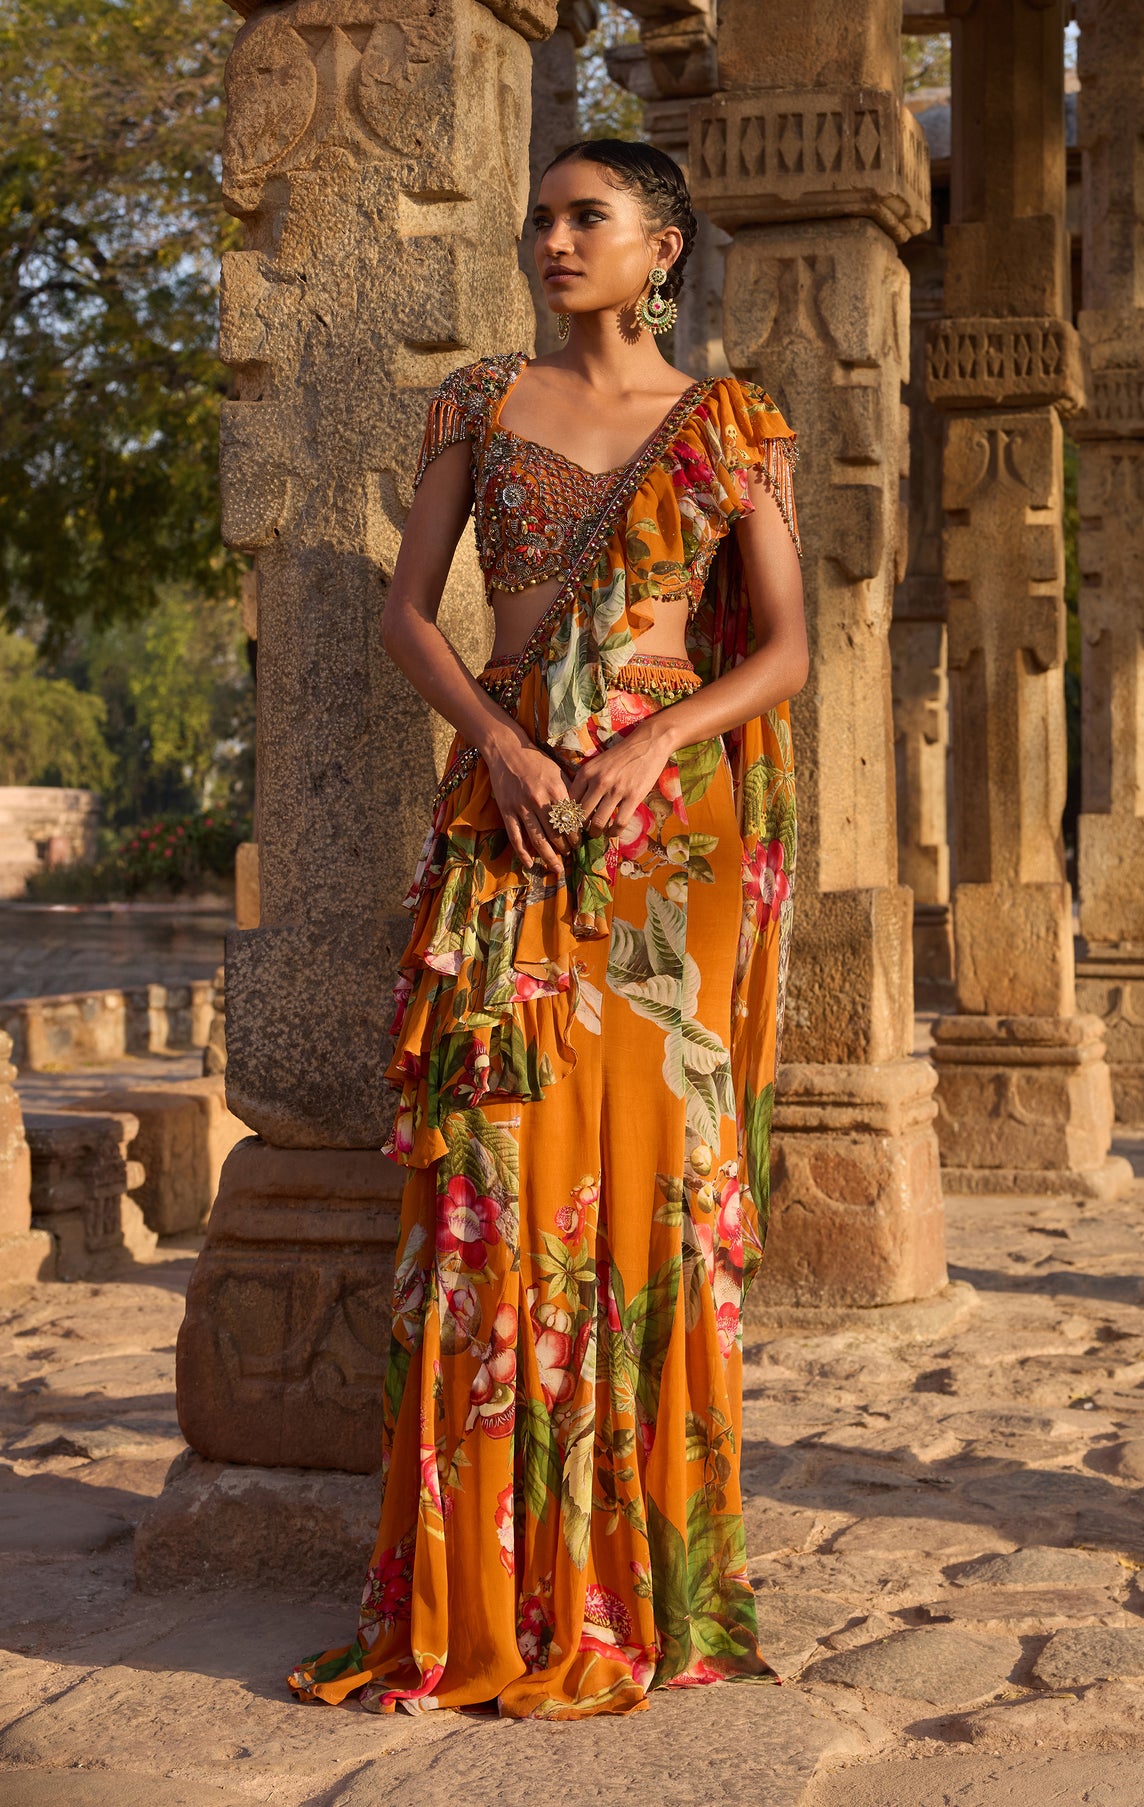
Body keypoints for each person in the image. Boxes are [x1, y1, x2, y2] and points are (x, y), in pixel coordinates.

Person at [288, 139, 806, 1720]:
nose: (553, 237)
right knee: (491, 1184)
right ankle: (487, 1593)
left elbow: (785, 651)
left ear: (663, 249)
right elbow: (406, 616)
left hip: (667, 846)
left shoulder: (732, 428)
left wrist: (656, 737)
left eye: (589, 218)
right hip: (509, 817)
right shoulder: (477, 403)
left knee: (656, 1192)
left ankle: (641, 1588)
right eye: (543, 216)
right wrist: (506, 746)